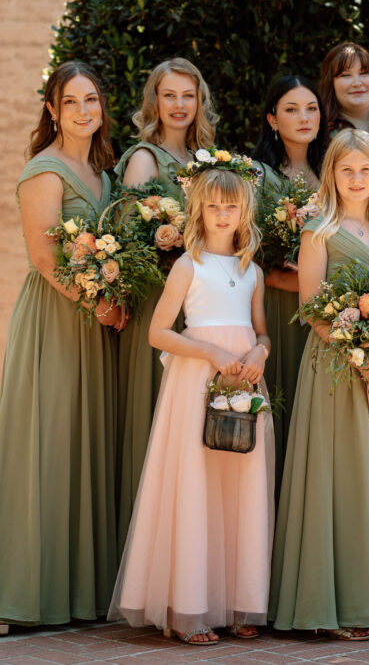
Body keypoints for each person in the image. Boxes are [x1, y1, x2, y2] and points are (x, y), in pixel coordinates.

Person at [108, 161, 274, 645]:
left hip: (242, 382)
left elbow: (261, 332)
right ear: (198, 211)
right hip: (196, 382)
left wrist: (260, 352)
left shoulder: (253, 272)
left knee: (238, 488)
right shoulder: (188, 266)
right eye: (213, 206)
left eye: (231, 206)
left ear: (244, 212)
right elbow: (159, 332)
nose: (222, 214)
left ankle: (238, 603)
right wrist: (210, 352)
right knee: (196, 485)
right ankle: (188, 609)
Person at [0, 61, 122, 635]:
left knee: (84, 444)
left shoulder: (102, 172)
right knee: (47, 446)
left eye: (90, 99)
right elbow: (45, 258)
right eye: (70, 101)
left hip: (97, 323)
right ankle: (28, 595)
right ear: (51, 109)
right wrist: (97, 305)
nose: (82, 111)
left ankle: (78, 593)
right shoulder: (44, 171)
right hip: (57, 318)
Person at [270, 129, 369, 640]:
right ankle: (333, 603)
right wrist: (356, 353)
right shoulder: (318, 232)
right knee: (337, 477)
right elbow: (311, 308)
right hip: (333, 366)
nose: (356, 178)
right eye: (346, 169)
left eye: (366, 170)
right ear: (331, 173)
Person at [115, 57, 219, 548]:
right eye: (169, 95)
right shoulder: (145, 159)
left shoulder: (207, 159)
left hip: (203, 305)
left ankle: (187, 539)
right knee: (156, 414)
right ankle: (149, 545)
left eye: (188, 95)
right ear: (153, 101)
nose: (179, 105)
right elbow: (130, 238)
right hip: (161, 303)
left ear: (199, 101)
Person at [251, 74, 328, 495]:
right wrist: (298, 284)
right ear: (272, 119)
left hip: (326, 313)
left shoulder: (332, 171)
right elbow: (245, 257)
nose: (304, 118)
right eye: (292, 109)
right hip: (279, 310)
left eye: (311, 108)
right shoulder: (259, 177)